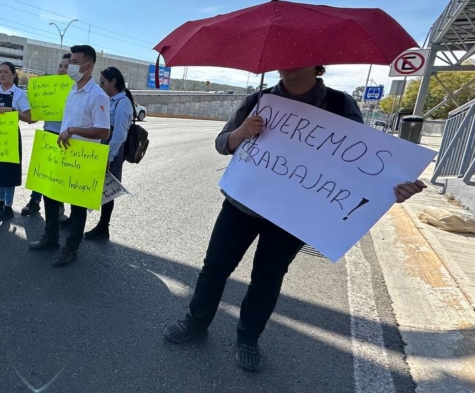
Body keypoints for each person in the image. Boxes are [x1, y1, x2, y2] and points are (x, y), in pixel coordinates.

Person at [162, 65, 427, 372]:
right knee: (215, 267)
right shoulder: (259, 99)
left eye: (299, 55)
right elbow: (223, 144)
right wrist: (242, 132)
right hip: (242, 205)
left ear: (318, 64)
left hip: (294, 216)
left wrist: (393, 189)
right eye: (284, 56)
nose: (289, 62)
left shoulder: (340, 106)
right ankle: (195, 322)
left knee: (268, 278)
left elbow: (363, 164)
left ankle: (248, 336)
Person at [28, 45, 110, 267]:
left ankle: (71, 248)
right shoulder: (72, 91)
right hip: (62, 155)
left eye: (75, 62)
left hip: (82, 160)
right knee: (50, 195)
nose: (71, 66)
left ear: (89, 65)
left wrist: (73, 130)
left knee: (77, 207)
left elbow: (104, 131)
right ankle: (51, 238)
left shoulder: (97, 96)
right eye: (70, 61)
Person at [84, 67, 135, 241]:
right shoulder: (110, 99)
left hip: (112, 149)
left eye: (103, 82)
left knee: (108, 188)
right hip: (102, 147)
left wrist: (110, 156)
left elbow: (120, 133)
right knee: (90, 184)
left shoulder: (123, 102)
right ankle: (77, 219)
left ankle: (103, 226)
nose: (101, 85)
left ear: (113, 82)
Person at [20, 53, 72, 222]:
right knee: (40, 172)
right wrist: (22, 114)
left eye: (67, 67)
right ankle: (34, 201)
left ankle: (58, 205)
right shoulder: (48, 87)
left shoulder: (75, 89)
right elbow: (34, 116)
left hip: (66, 137)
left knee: (58, 174)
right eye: (60, 66)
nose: (62, 70)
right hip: (48, 133)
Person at [0, 62, 32, 221]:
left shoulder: (19, 94)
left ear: (14, 75)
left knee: (8, 172)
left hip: (10, 138)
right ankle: (0, 201)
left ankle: (8, 207)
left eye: (6, 72)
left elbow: (29, 118)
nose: (2, 75)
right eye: (0, 72)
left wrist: (13, 111)